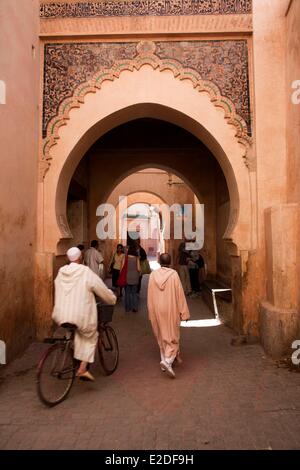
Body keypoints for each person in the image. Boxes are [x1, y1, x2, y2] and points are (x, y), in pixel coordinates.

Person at [52, 247, 116, 381]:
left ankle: (72, 353)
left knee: (73, 333)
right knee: (91, 336)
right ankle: (82, 368)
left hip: (61, 314)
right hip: (80, 316)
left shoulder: (61, 272)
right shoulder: (85, 272)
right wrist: (112, 298)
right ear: (81, 258)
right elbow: (101, 289)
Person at [147, 253, 190, 378]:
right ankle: (168, 361)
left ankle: (164, 360)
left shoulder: (153, 275)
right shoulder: (174, 274)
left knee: (161, 333)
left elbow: (149, 294)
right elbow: (179, 294)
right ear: (170, 262)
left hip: (157, 309)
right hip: (171, 308)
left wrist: (151, 311)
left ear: (160, 262)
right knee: (172, 334)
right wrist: (184, 312)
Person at [122, 244, 140, 313]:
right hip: (135, 277)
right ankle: (134, 308)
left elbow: (122, 268)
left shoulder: (125, 258)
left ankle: (127, 308)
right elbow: (138, 269)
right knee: (134, 293)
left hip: (127, 277)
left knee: (127, 293)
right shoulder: (137, 258)